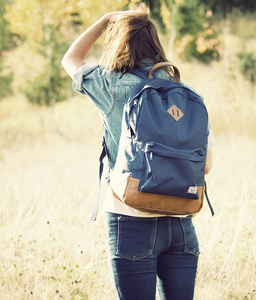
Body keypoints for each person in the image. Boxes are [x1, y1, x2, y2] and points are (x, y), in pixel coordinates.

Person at [62, 4, 216, 300]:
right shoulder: (186, 93)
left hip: (130, 218)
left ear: (118, 43)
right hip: (181, 222)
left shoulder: (111, 85)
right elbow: (206, 164)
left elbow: (71, 59)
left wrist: (106, 20)